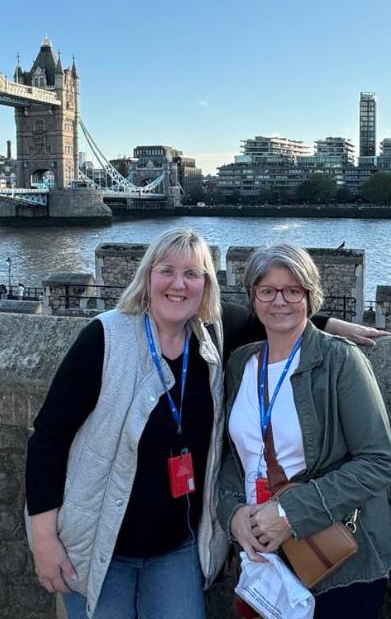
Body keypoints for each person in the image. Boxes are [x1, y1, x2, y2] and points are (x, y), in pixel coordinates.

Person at [25, 228, 383, 619]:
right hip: (101, 545)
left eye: (192, 274)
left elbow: (279, 314)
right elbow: (48, 438)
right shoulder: (105, 338)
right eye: (166, 271)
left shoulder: (212, 336)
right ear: (147, 277)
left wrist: (329, 325)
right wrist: (43, 539)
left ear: (206, 286)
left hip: (178, 548)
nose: (178, 284)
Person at [218, 243, 391, 619]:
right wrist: (233, 515)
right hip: (261, 558)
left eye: (293, 290)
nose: (279, 301)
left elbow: (379, 461)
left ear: (310, 297)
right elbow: (234, 457)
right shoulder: (240, 364)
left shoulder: (340, 360)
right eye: (268, 290)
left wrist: (289, 514)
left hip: (337, 562)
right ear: (253, 297)